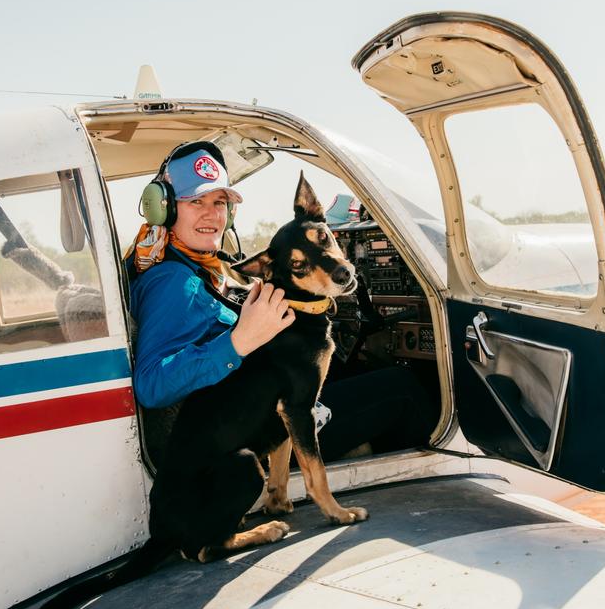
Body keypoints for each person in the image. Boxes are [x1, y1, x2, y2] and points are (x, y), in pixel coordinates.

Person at [127, 142, 434, 482]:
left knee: (350, 373)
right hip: (252, 441)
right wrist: (240, 340)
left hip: (249, 412)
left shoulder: (191, 267)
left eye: (219, 202)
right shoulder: (173, 281)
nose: (212, 214)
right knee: (402, 386)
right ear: (166, 209)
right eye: (195, 202)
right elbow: (151, 385)